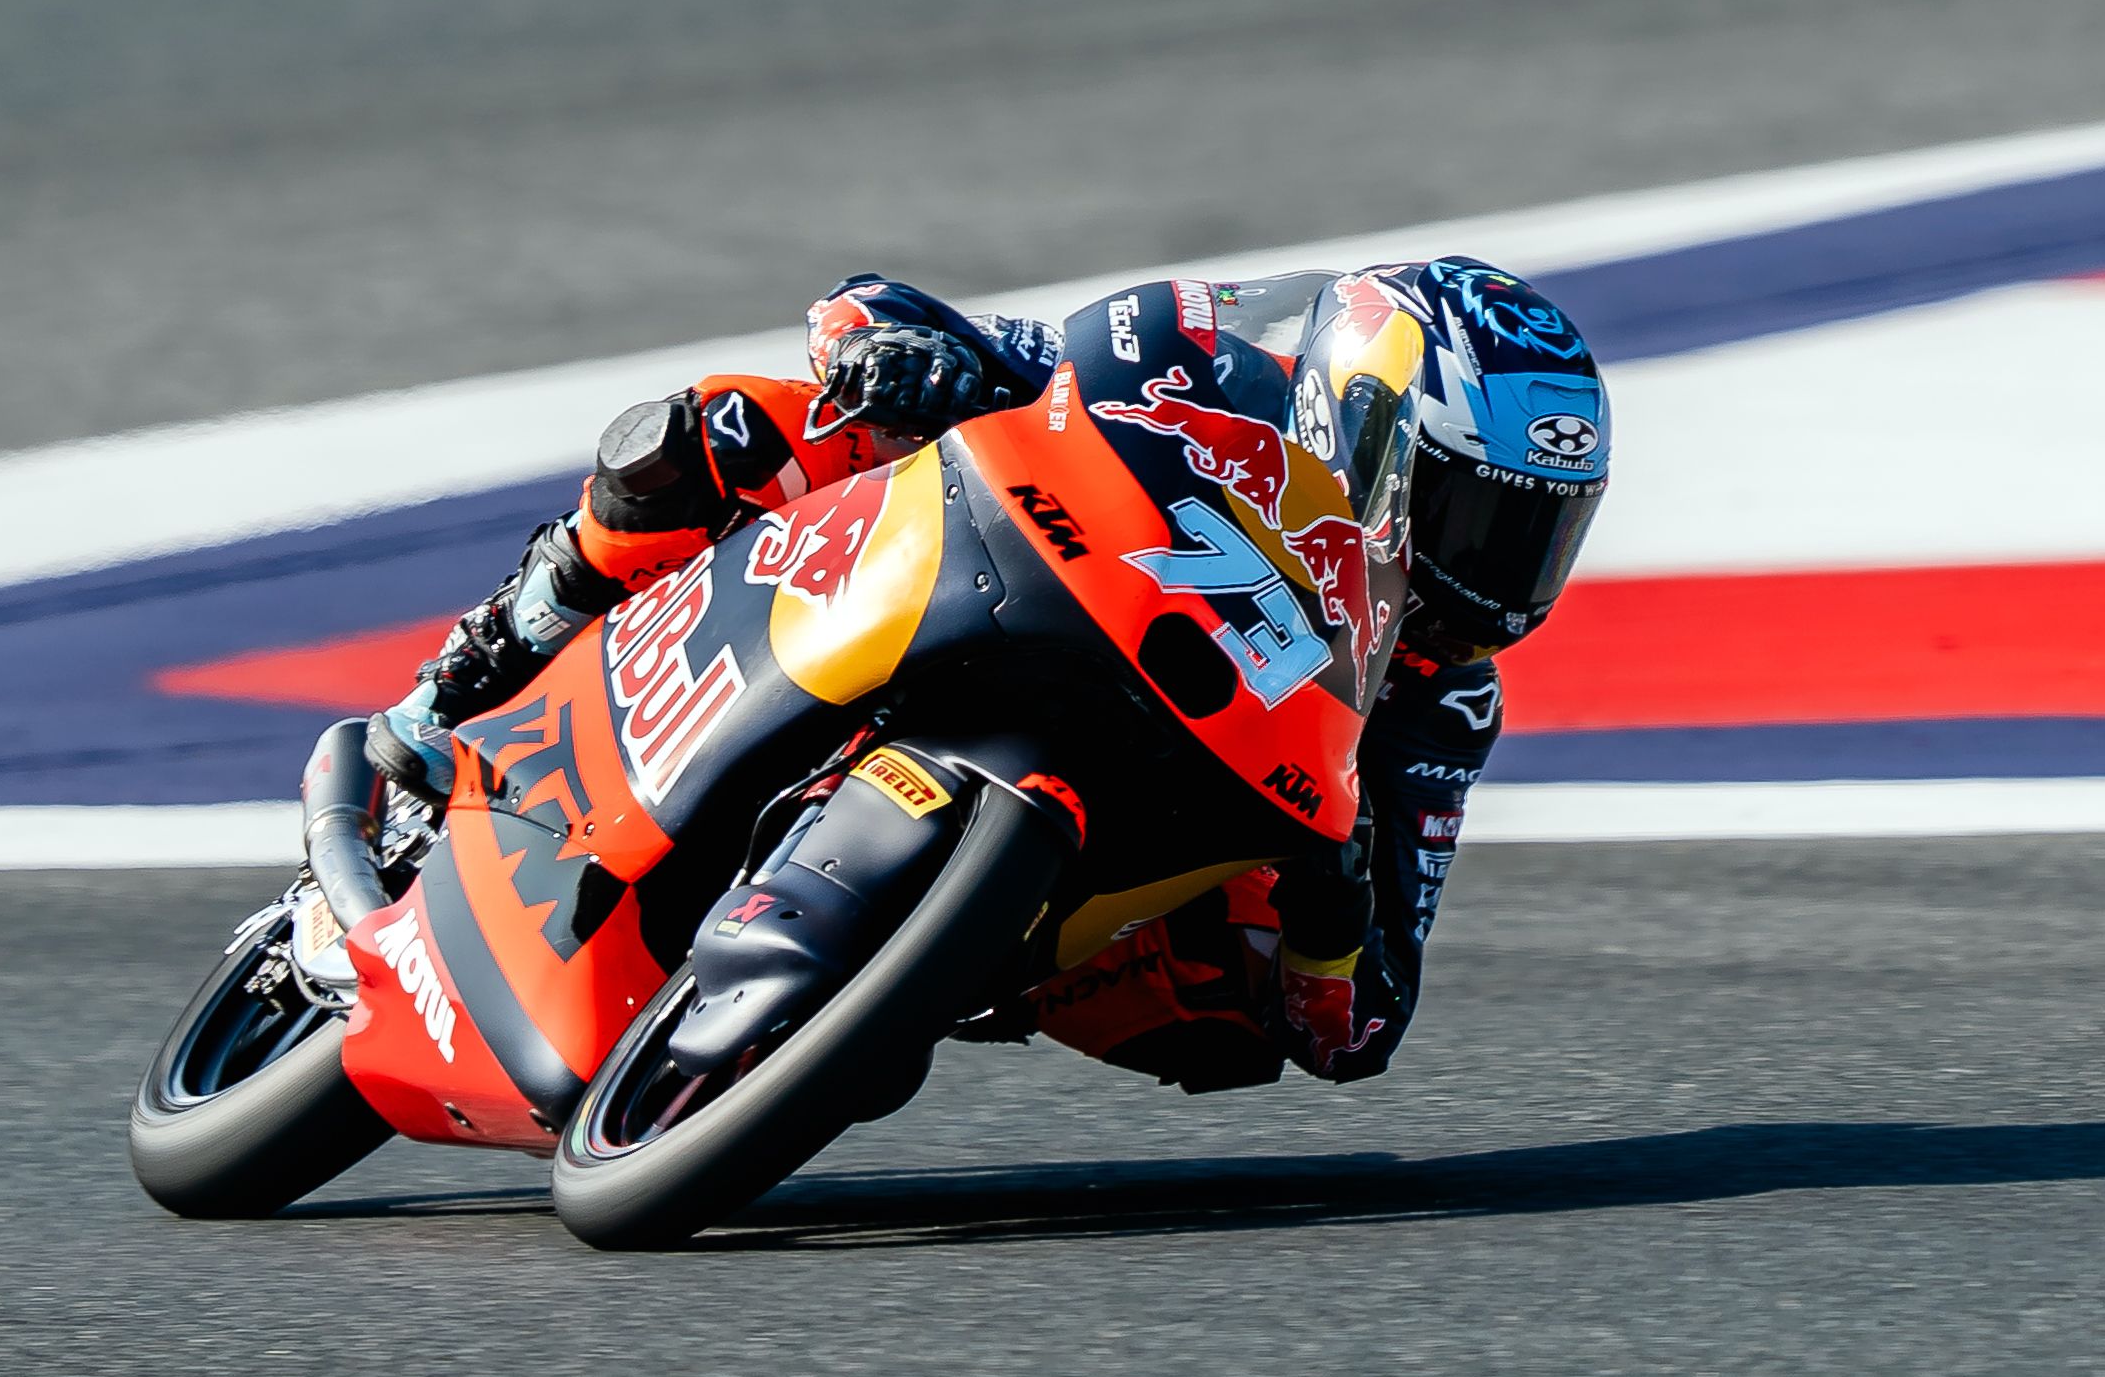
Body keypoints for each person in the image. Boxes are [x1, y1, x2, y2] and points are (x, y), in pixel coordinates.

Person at [369, 257, 1610, 1090]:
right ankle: (471, 677)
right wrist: (905, 353)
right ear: (1367, 423)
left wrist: (1334, 912)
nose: (1500, 574)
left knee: (1233, 1024)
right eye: (1476, 517)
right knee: (745, 426)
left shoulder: (1440, 701)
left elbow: (1363, 1026)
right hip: (988, 592)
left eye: (1541, 534)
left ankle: (933, 956)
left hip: (1139, 861)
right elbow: (876, 310)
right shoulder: (1214, 381)